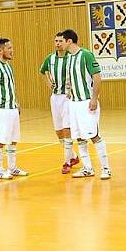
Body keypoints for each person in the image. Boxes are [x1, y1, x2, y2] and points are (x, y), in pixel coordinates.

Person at [62, 29, 112, 180]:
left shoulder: (86, 55)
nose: (60, 44)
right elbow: (70, 77)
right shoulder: (68, 57)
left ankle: (106, 168)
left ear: (69, 41)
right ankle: (87, 168)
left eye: (62, 41)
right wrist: (69, 89)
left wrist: (94, 98)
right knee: (79, 137)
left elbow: (97, 77)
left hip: (86, 102)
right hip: (74, 103)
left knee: (94, 135)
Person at [0, 38, 29, 180]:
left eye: (12, 47)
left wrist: (16, 102)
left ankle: (12, 168)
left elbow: (10, 87)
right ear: (0, 50)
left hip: (12, 108)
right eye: (9, 48)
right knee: (0, 141)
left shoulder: (8, 65)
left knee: (13, 139)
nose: (12, 50)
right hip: (0, 110)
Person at [40, 32, 79, 174]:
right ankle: (73, 156)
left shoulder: (71, 57)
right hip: (55, 97)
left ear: (66, 42)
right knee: (59, 131)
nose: (57, 43)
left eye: (60, 41)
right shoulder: (50, 58)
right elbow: (42, 71)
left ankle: (67, 162)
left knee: (67, 129)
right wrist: (48, 82)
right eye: (55, 41)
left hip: (68, 97)